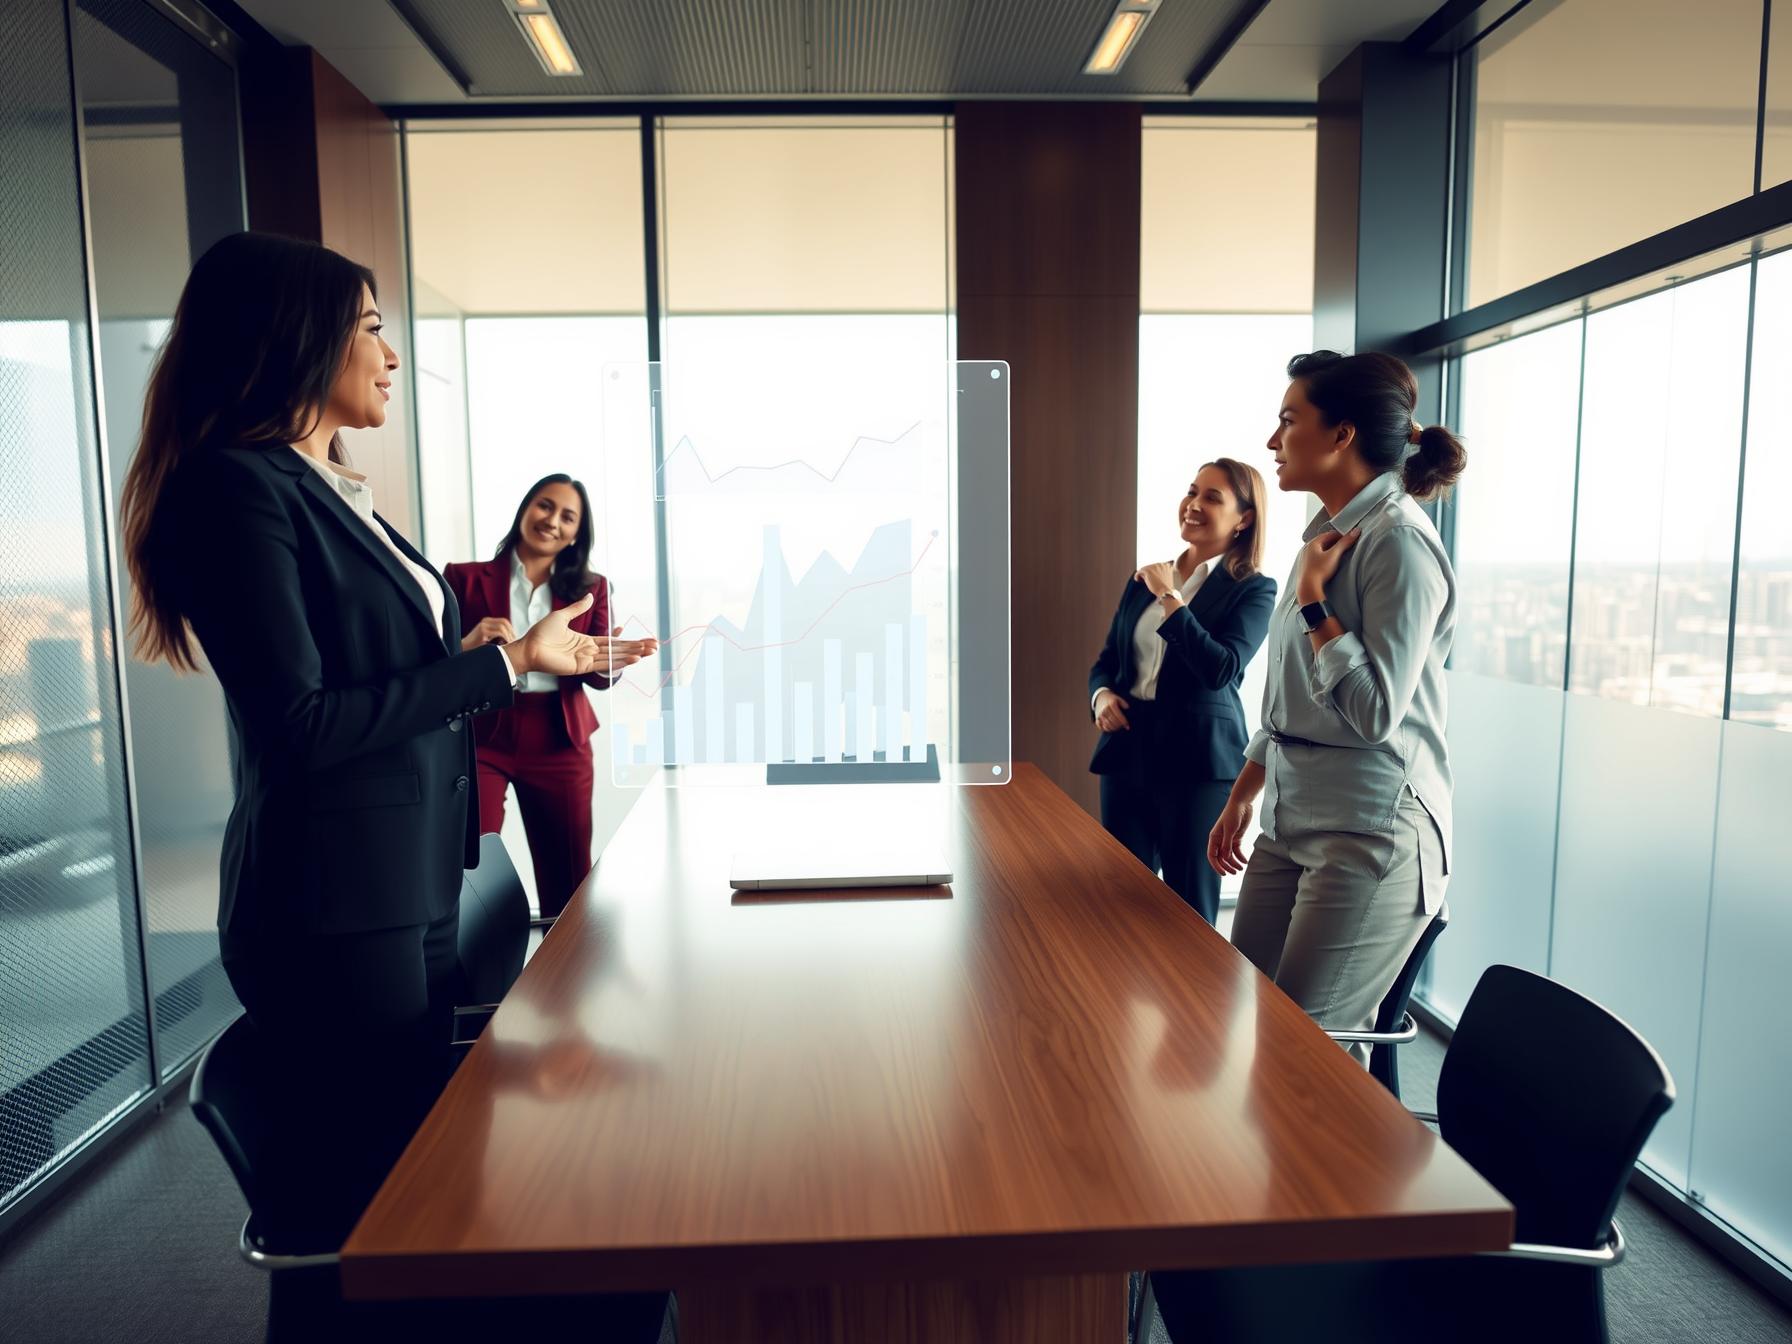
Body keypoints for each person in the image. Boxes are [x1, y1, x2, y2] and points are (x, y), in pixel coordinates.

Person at [116, 233, 656, 1262]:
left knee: (418, 1170)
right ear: (299, 338)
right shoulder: (240, 490)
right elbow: (303, 723)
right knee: (386, 1200)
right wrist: (500, 668)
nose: (390, 353)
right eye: (369, 327)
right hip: (330, 903)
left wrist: (473, 646)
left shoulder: (327, 484)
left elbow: (364, 671)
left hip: (405, 884)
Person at [1207, 350, 1466, 1065]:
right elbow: (1289, 696)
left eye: (1289, 421)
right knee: (1250, 1027)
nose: (1272, 441)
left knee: (1304, 1063)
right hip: (1292, 819)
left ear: (1342, 435)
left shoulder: (1400, 543)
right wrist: (1243, 793)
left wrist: (1320, 605)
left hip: (1371, 831)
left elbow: (1375, 710)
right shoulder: (1321, 535)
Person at [445, 477, 655, 918]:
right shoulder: (462, 578)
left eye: (567, 516)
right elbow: (438, 665)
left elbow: (597, 673)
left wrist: (607, 665)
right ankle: (480, 978)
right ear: (525, 509)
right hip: (484, 734)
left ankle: (569, 981)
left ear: (577, 534)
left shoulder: (592, 589)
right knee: (471, 864)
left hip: (560, 739)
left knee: (569, 874)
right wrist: (467, 644)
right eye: (545, 506)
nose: (552, 521)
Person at [1088, 458, 1275, 924]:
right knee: (1118, 898)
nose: (1193, 504)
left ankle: (1196, 1001)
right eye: (1192, 491)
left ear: (1244, 518)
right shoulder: (1146, 578)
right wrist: (1102, 696)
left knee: (1188, 908)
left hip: (1198, 763)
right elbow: (1108, 661)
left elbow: (1221, 669)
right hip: (1127, 751)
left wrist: (1170, 598)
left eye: (1212, 497)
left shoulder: (1253, 589)